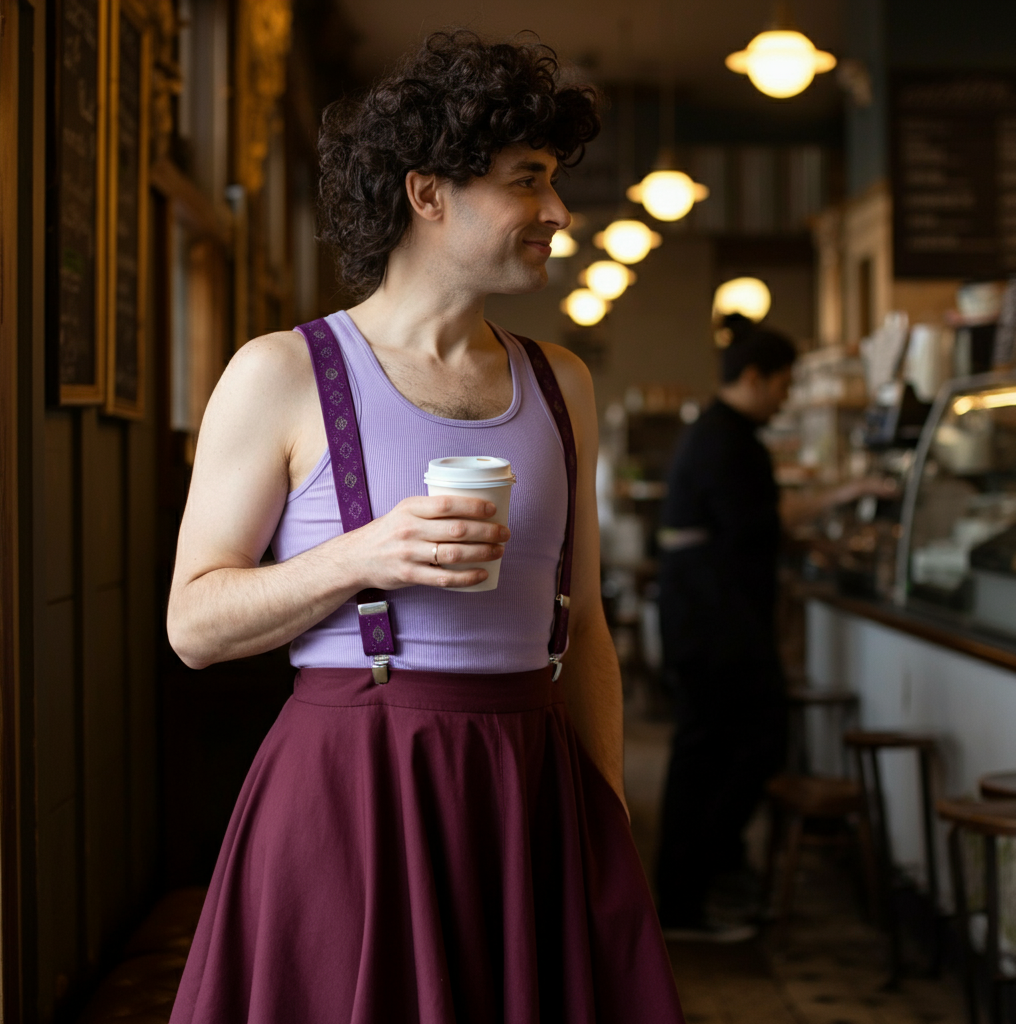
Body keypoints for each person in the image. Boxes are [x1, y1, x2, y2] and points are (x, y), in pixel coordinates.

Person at [167, 31, 684, 1024]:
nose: (557, 213)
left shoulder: (560, 382)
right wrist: (364, 554)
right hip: (352, 789)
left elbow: (583, 634)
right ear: (427, 193)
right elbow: (194, 626)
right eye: (527, 182)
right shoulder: (281, 373)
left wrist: (604, 814)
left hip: (530, 787)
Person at [654, 314, 890, 941]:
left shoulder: (721, 433)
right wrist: (840, 499)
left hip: (704, 617)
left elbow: (751, 524)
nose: (786, 398)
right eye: (783, 385)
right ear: (754, 377)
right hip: (716, 622)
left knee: (710, 751)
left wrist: (807, 533)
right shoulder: (730, 440)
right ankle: (688, 896)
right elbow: (757, 521)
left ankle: (704, 883)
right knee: (749, 744)